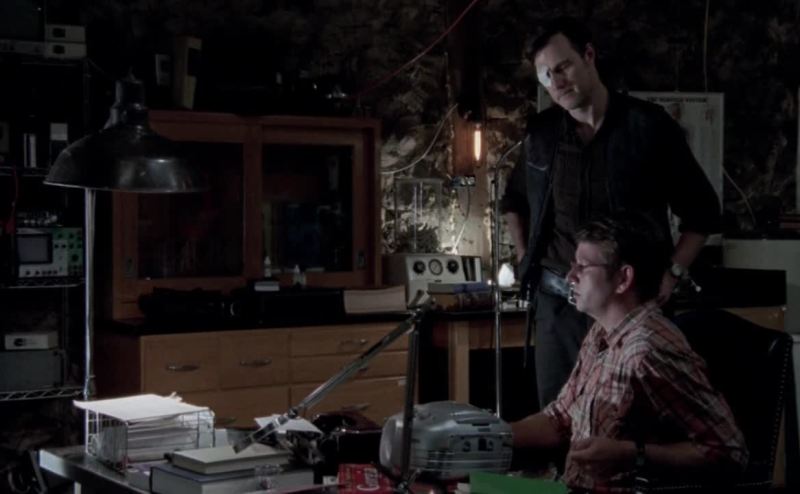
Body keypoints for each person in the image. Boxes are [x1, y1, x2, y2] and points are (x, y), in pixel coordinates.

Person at [501, 17, 722, 408]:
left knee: (629, 418)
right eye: (546, 75)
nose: (557, 81)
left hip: (631, 307)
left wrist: (673, 272)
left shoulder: (649, 127)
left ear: (589, 55)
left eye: (563, 67)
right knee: (557, 418)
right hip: (559, 308)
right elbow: (514, 202)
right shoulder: (542, 134)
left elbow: (702, 211)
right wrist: (524, 258)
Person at [511, 214, 747, 492]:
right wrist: (488, 433)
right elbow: (560, 418)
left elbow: (729, 452)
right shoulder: (600, 333)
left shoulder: (649, 350)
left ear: (623, 278)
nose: (570, 276)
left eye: (582, 267)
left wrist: (632, 454)